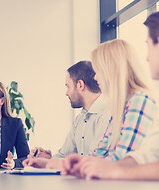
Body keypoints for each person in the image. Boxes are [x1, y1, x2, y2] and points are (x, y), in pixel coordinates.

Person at [62, 37, 159, 179]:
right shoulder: (121, 106)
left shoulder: (140, 100)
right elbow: (100, 153)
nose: (95, 78)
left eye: (98, 71)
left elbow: (122, 158)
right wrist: (79, 164)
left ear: (110, 71)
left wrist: (85, 165)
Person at [23, 61, 110, 169]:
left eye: (68, 86)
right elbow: (64, 155)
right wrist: (47, 160)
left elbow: (95, 160)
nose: (66, 92)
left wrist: (51, 163)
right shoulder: (81, 118)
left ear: (80, 85)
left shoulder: (107, 113)